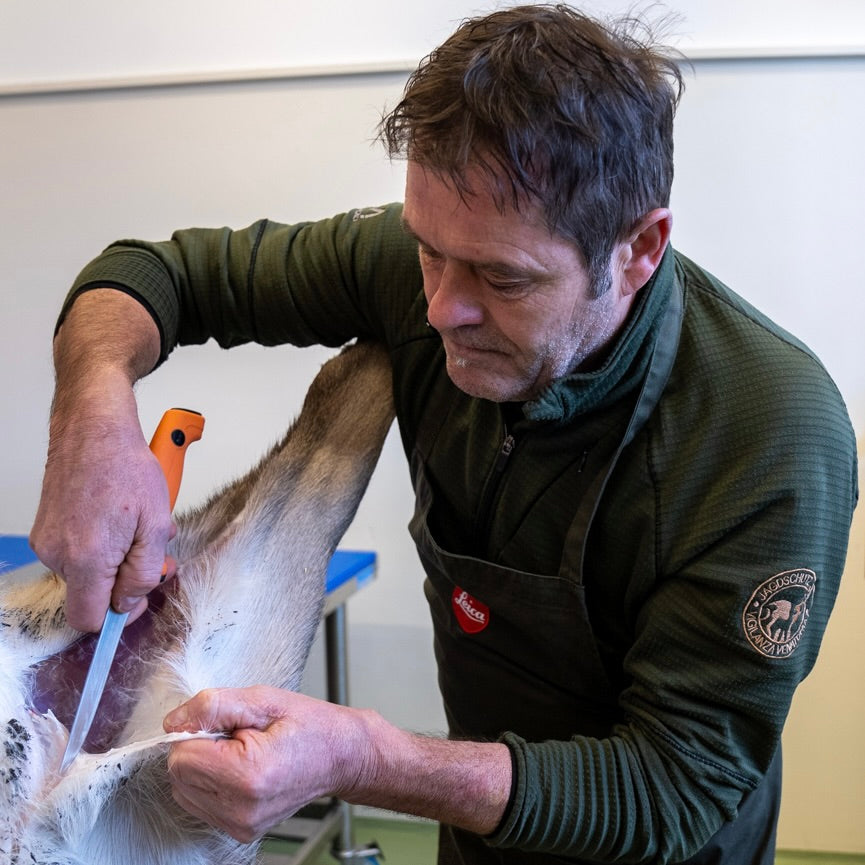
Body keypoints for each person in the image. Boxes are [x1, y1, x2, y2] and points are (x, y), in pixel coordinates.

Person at [30, 5, 857, 864]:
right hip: (475, 837)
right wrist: (91, 417)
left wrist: (364, 760)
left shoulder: (770, 435)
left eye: (504, 278)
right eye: (428, 250)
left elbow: (672, 784)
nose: (439, 310)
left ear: (639, 248)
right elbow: (156, 275)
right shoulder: (424, 272)